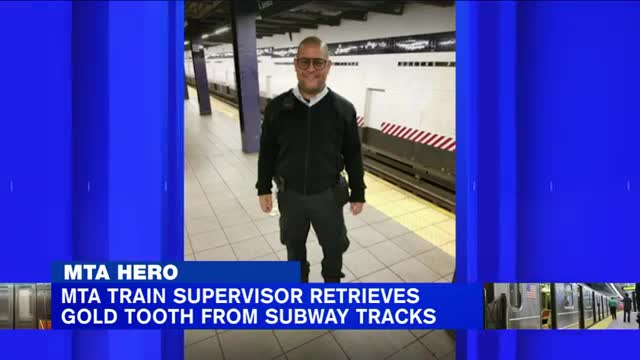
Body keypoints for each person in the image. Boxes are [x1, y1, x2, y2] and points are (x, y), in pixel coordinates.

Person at [256, 36, 366, 283]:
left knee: (334, 247)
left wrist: (358, 191)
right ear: (295, 64)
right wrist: (263, 187)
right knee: (293, 247)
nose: (311, 69)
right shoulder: (277, 107)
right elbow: (267, 151)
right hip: (290, 195)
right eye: (305, 62)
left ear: (328, 66)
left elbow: (353, 154)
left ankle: (331, 286)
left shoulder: (343, 109)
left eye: (318, 62)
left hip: (327, 196)